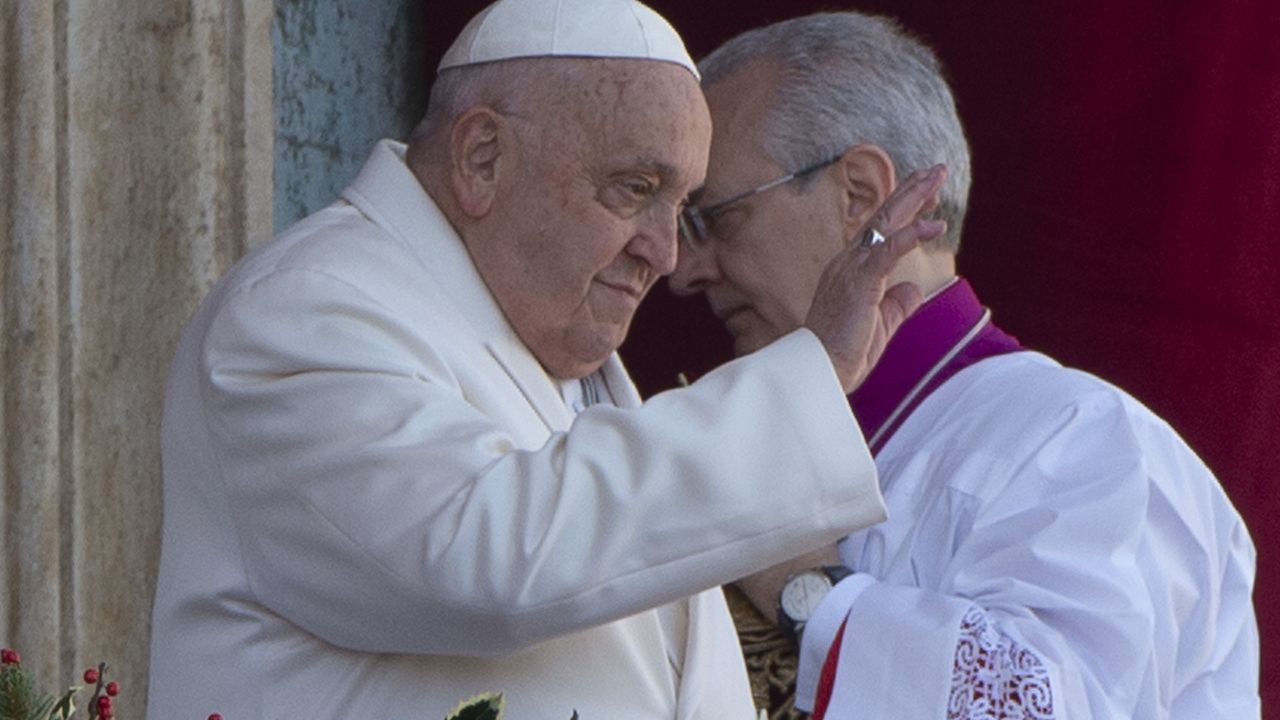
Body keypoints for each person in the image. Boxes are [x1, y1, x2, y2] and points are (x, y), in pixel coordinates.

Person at [144, 0, 952, 718]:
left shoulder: (565, 353)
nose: (665, 254)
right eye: (635, 188)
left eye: (682, 209)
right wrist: (805, 381)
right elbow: (480, 561)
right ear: (482, 158)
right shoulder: (302, 310)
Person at [669, 11, 1260, 720]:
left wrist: (801, 584)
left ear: (859, 194)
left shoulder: (1083, 442)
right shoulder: (727, 437)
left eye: (713, 219)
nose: (683, 271)